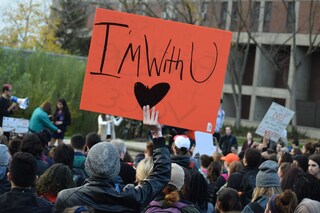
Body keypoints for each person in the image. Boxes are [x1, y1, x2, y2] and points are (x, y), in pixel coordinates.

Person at [54, 105, 171, 212]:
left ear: (87, 166)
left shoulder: (65, 198)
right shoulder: (133, 198)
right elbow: (162, 175)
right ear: (116, 169)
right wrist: (156, 133)